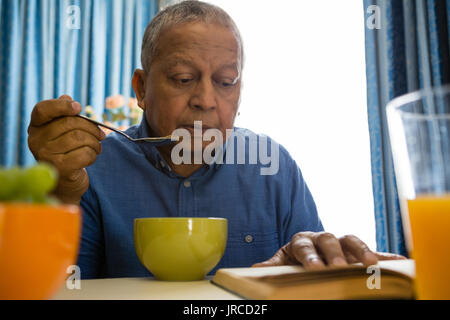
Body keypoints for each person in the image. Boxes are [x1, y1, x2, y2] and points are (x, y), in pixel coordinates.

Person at [27, 1, 404, 279]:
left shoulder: (274, 166)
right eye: (182, 78)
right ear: (141, 89)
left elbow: (310, 280)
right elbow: (63, 290)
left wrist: (320, 265)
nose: (206, 100)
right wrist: (62, 195)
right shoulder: (91, 171)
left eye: (225, 82)